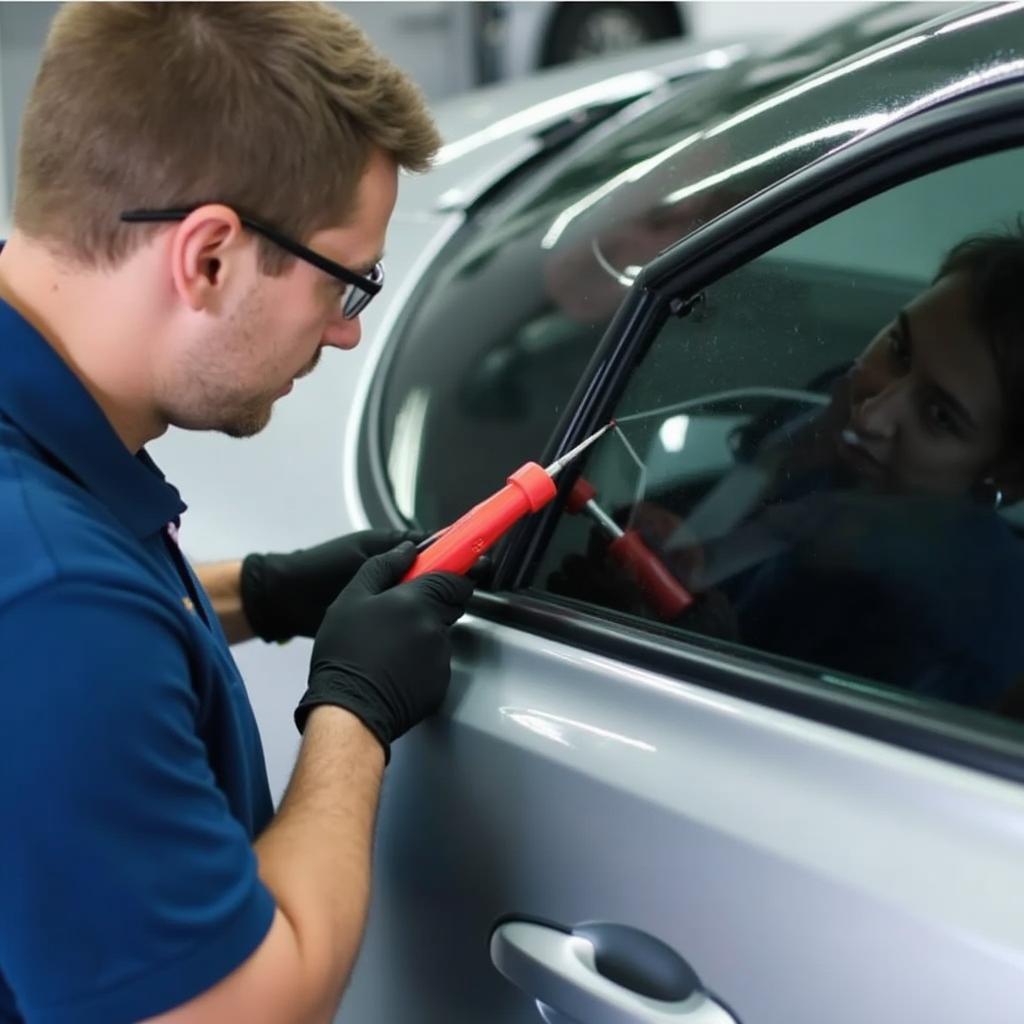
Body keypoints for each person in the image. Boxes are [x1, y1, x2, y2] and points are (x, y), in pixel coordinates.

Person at [0, 5, 473, 1023]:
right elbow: (239, 1009)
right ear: (209, 256)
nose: (346, 335)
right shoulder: (51, 601)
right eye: (347, 283)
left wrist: (260, 592)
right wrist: (353, 708)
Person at [552, 226, 1024, 711]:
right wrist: (678, 552)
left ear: (1007, 474)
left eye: (940, 416)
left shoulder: (983, 619)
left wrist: (712, 654)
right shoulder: (821, 448)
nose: (873, 414)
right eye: (899, 350)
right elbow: (729, 549)